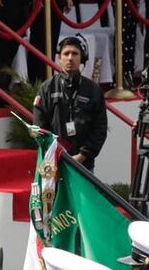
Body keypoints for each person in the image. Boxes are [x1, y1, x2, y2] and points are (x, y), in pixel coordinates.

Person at [32, 36, 107, 170]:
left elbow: (99, 128)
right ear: (59, 58)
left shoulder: (93, 90)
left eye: (75, 53)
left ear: (82, 58)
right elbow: (39, 126)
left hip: (84, 165)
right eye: (66, 53)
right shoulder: (47, 88)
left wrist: (83, 155)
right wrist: (56, 153)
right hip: (54, 162)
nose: (70, 58)